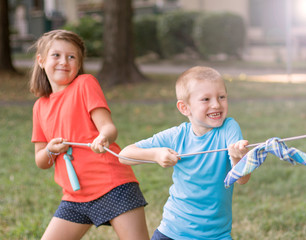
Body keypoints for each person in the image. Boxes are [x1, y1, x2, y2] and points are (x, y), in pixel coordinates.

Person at [29, 29, 149, 240]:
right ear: (41, 60)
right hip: (74, 196)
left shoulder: (84, 84)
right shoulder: (40, 106)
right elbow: (41, 160)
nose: (63, 61)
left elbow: (109, 128)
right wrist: (50, 149)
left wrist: (103, 138)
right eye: (56, 55)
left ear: (79, 63)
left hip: (113, 185)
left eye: (71, 56)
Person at [119, 66, 251, 240]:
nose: (216, 104)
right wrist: (156, 154)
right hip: (172, 230)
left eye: (222, 97)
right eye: (206, 99)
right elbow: (124, 155)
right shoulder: (176, 136)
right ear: (184, 108)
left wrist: (237, 157)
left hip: (215, 235)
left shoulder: (229, 128)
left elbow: (242, 179)